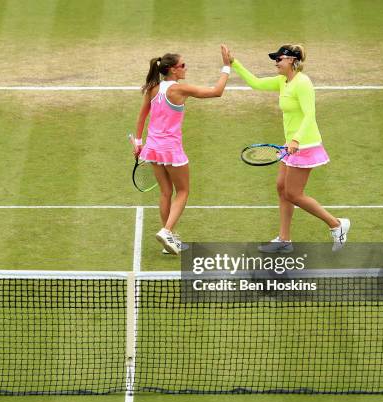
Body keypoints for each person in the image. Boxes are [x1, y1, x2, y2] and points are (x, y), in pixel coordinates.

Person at [228, 44, 350, 252]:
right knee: (282, 189)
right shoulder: (283, 81)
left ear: (292, 61)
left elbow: (310, 115)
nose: (276, 62)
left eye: (279, 59)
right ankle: (284, 240)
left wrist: (296, 140)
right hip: (290, 144)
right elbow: (256, 83)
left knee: (293, 193)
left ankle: (337, 225)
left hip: (305, 144)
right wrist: (233, 63)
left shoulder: (303, 83)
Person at [133, 46, 232, 254]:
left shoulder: (152, 88)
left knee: (165, 192)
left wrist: (138, 142)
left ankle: (169, 241)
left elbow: (142, 115)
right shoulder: (179, 89)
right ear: (173, 70)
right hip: (170, 149)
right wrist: (226, 67)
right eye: (182, 66)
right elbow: (217, 92)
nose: (185, 69)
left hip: (152, 147)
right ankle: (167, 231)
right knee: (183, 191)